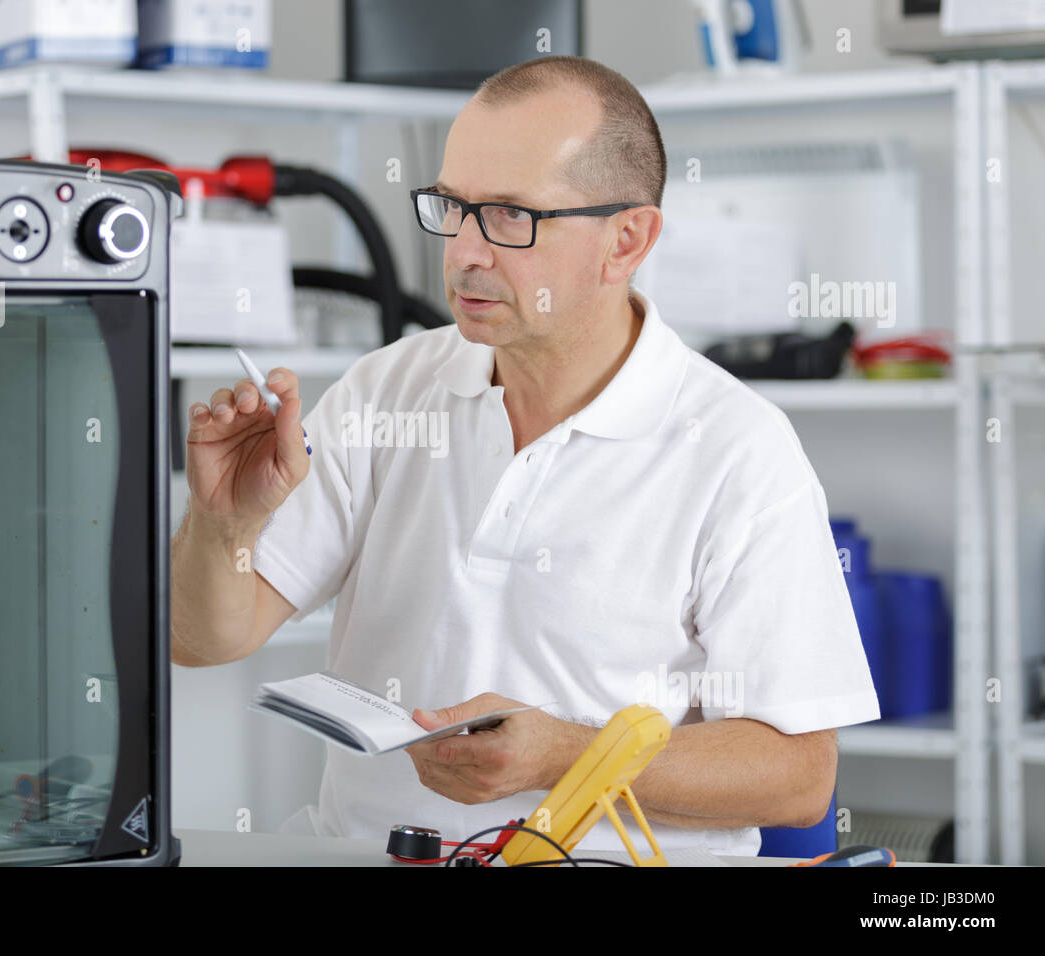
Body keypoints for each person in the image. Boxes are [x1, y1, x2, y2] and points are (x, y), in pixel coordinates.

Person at [170, 54, 879, 857]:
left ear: (627, 239)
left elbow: (796, 777)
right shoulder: (387, 391)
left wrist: (563, 756)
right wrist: (224, 521)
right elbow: (202, 640)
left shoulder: (736, 449)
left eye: (511, 217)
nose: (465, 253)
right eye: (453, 207)